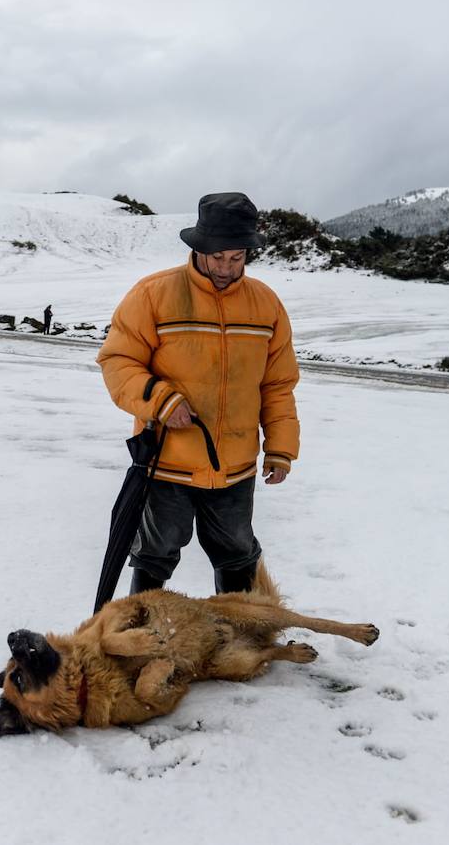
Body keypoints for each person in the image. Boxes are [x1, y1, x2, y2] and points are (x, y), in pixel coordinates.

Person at [97, 192, 299, 595]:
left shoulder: (266, 305)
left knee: (238, 555)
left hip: (236, 465)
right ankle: (141, 637)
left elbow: (276, 385)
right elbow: (118, 362)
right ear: (199, 247)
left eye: (236, 257)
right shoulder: (154, 294)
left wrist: (280, 448)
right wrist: (161, 400)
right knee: (155, 554)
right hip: (167, 462)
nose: (226, 267)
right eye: (218, 256)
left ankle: (239, 637)